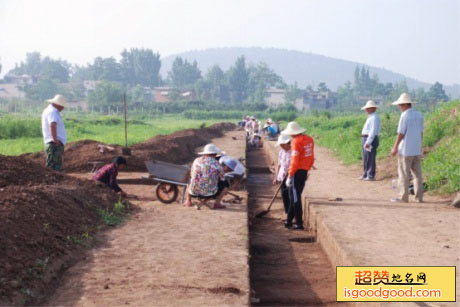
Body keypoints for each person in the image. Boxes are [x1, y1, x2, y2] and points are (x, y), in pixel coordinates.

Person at [390, 93, 424, 203]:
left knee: (404, 174)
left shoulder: (404, 116)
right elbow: (421, 132)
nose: (399, 107)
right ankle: (419, 197)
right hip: (416, 149)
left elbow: (401, 133)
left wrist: (395, 147)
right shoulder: (419, 115)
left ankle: (403, 197)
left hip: (405, 150)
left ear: (404, 105)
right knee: (417, 175)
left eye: (400, 105)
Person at [281, 121, 315, 230]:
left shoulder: (296, 142)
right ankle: (288, 221)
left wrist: (290, 175)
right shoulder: (309, 139)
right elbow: (311, 156)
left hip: (297, 172)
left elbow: (294, 161)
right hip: (304, 171)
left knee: (295, 199)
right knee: (294, 196)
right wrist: (308, 168)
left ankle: (299, 223)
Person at [183, 144, 227, 209]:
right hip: (210, 193)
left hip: (193, 192)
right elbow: (222, 178)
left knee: (190, 180)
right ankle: (217, 203)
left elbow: (192, 174)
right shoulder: (216, 163)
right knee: (226, 184)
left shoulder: (196, 160)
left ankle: (188, 201)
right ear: (215, 154)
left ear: (205, 153)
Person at [41, 94, 67, 171]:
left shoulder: (50, 110)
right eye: (62, 105)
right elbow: (52, 125)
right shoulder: (52, 112)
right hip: (54, 144)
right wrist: (55, 139)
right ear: (57, 104)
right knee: (53, 167)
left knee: (54, 166)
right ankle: (52, 183)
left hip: (54, 143)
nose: (63, 108)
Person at [359, 100, 381, 181]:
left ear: (373, 108)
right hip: (366, 138)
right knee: (366, 157)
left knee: (370, 157)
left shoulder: (374, 118)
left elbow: (373, 131)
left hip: (370, 138)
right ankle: (365, 174)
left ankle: (370, 175)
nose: (366, 110)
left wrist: (368, 142)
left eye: (368, 108)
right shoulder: (371, 117)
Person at [273, 134, 292, 214]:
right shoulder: (281, 152)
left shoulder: (293, 152)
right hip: (282, 176)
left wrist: (289, 173)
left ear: (287, 143)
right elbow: (279, 165)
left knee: (290, 195)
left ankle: (291, 213)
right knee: (284, 195)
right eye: (281, 145)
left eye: (283, 144)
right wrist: (276, 177)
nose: (281, 146)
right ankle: (287, 212)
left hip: (290, 177)